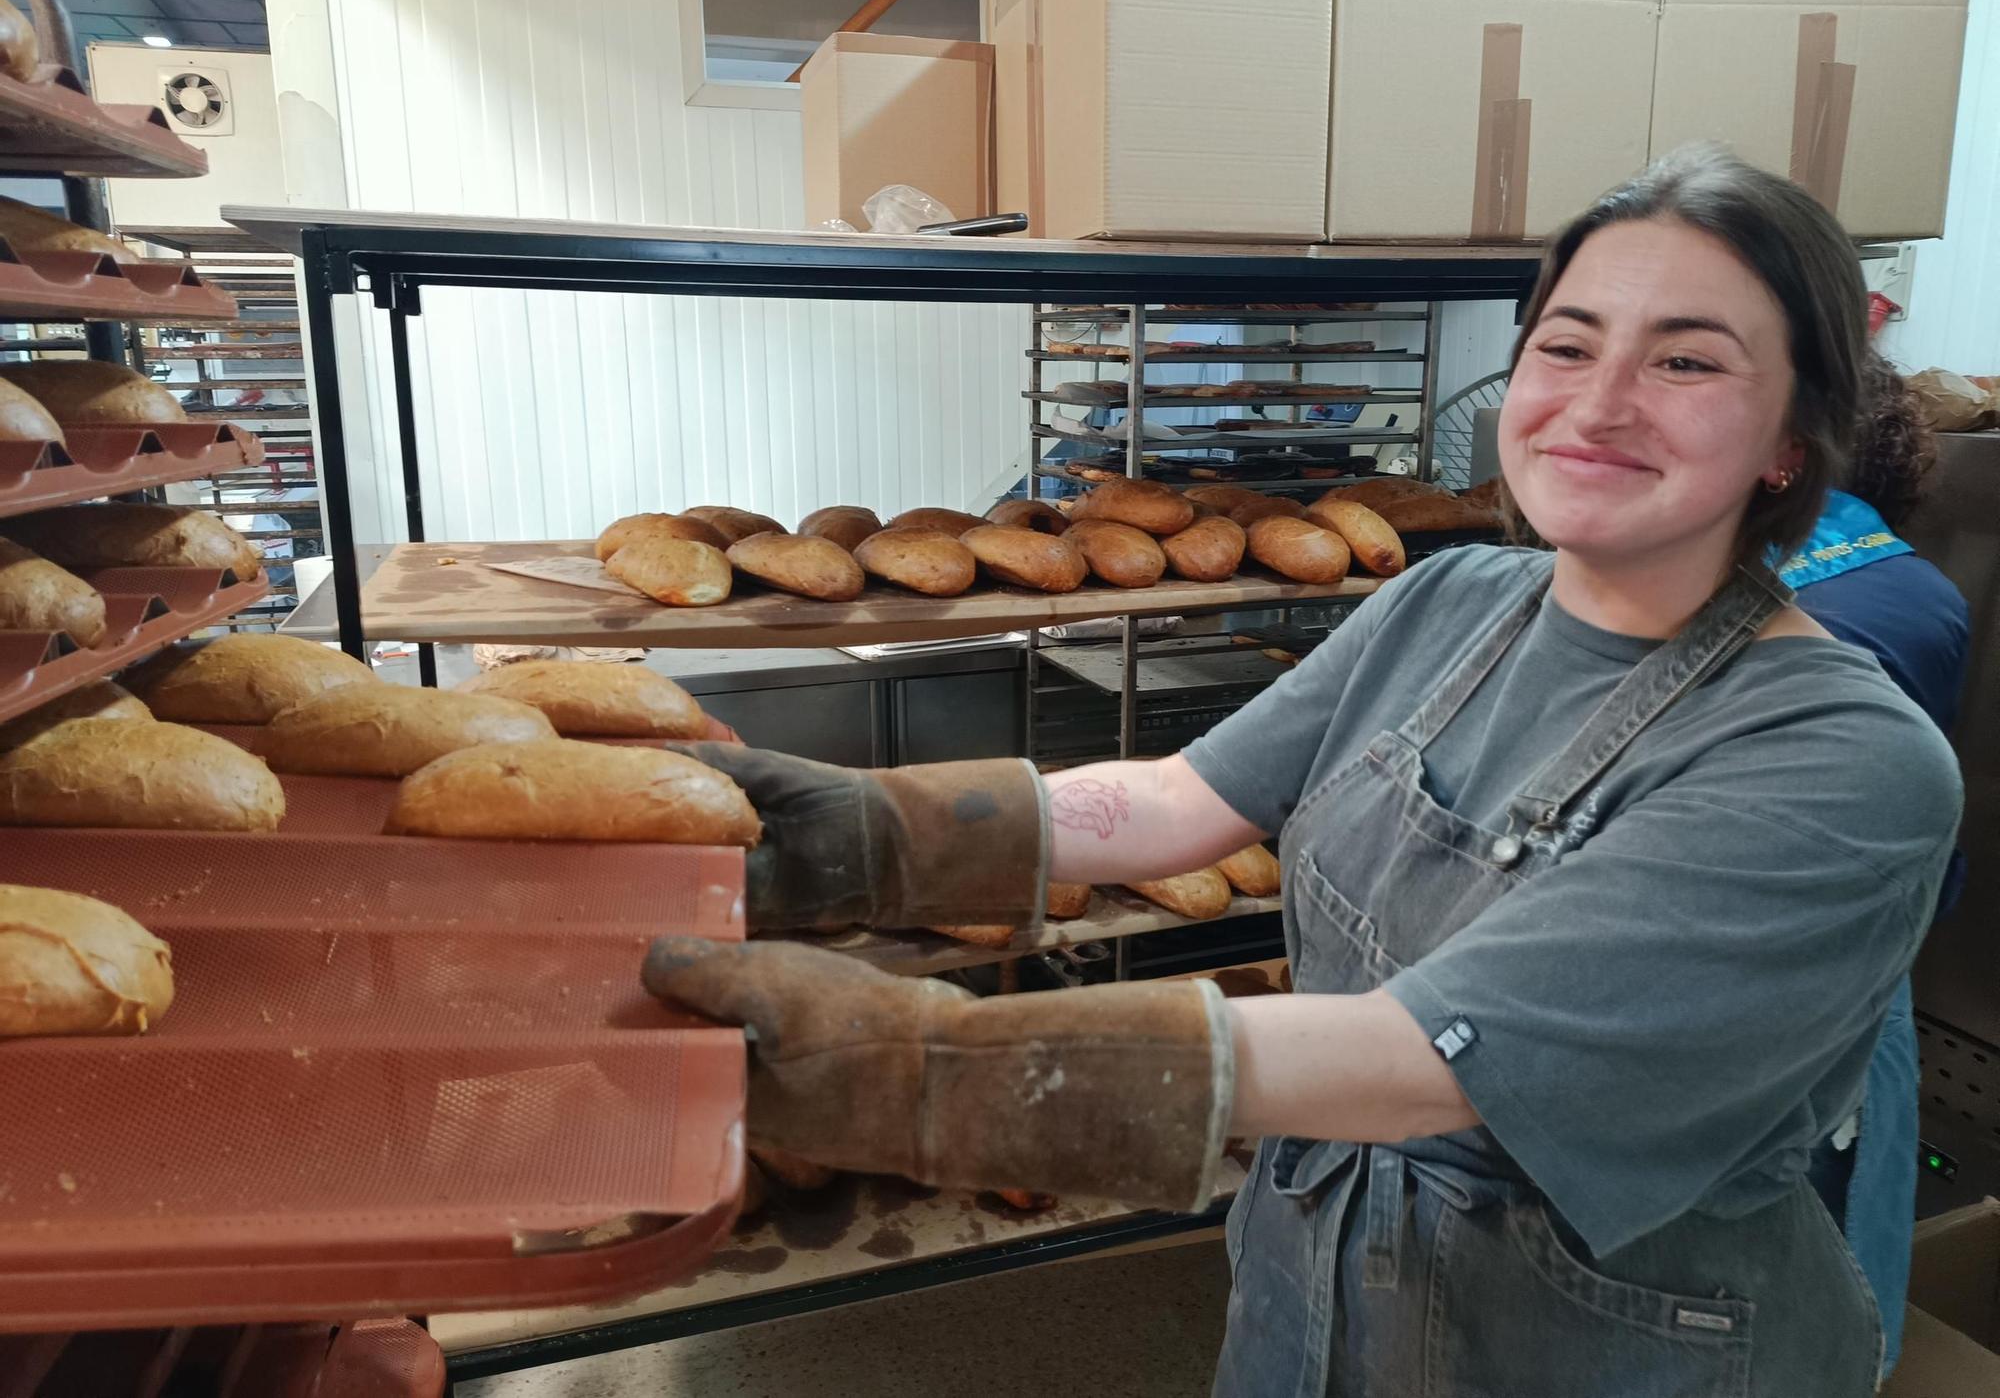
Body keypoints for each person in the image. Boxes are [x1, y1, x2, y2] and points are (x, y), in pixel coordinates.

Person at [646, 146, 1963, 1397]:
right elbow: (1178, 803)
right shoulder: (1451, 600)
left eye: (1687, 359)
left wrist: (930, 1067)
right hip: (1318, 1290)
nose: (1601, 399)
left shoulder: (1845, 763)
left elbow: (1425, 1061)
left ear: (1792, 436)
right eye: (1567, 343)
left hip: (1605, 1347)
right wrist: (850, 829)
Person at [1787, 356, 1970, 1374]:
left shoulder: (1687, 574)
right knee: (1829, 1245)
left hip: (1757, 982)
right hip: (1858, 964)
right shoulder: (1920, 593)